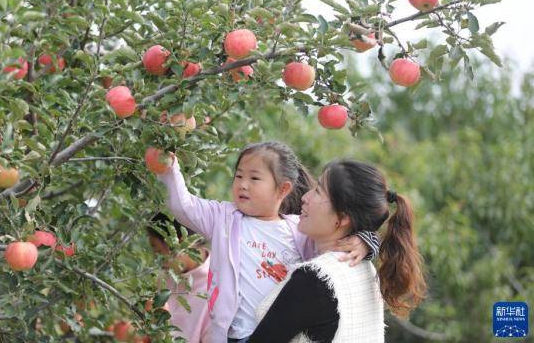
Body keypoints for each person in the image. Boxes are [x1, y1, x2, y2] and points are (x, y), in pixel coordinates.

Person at [154, 142, 381, 342]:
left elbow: (336, 241)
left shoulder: (297, 230)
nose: (243, 184)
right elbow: (183, 206)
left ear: (283, 189)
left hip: (278, 332)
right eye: (239, 176)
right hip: (234, 335)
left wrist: (366, 241)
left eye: (254, 178)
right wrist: (170, 167)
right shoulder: (222, 219)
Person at [248, 159, 427, 343]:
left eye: (318, 191)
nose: (305, 197)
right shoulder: (365, 270)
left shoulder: (314, 279)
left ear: (342, 218)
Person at [146, 212, 211, 343]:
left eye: (158, 251)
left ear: (178, 243)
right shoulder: (165, 278)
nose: (159, 261)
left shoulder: (220, 285)